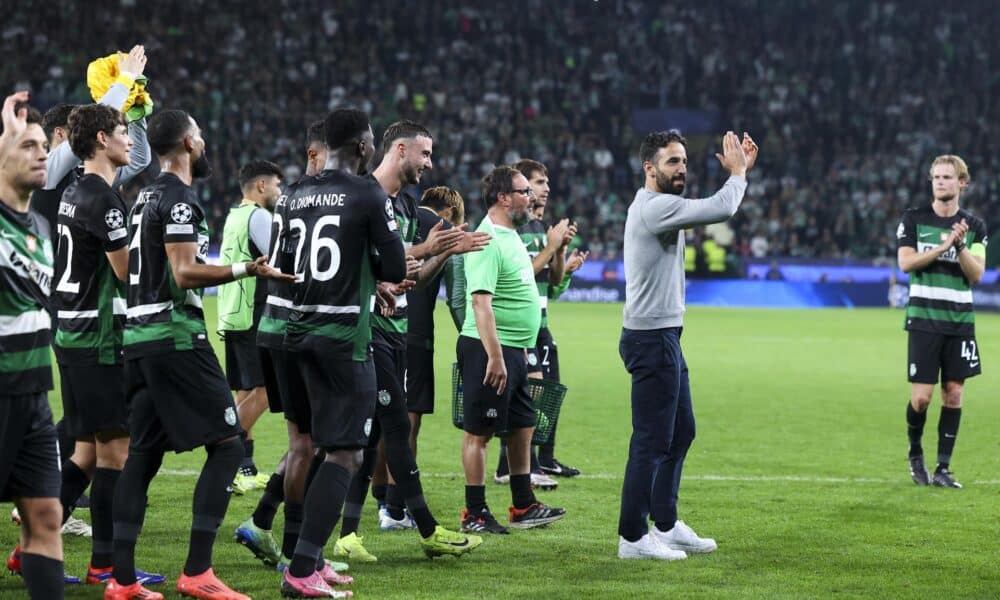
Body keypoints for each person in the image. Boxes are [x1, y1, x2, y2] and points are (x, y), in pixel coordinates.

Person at [107, 109, 291, 600]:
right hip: (177, 337)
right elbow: (186, 272)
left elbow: (131, 270)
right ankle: (198, 571)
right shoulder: (180, 198)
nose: (206, 142)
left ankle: (121, 581)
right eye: (201, 135)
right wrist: (246, 269)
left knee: (142, 455)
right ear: (188, 143)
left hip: (139, 337)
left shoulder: (140, 197)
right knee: (229, 444)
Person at [333, 120, 486, 561]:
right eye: (425, 153)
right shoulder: (365, 195)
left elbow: (400, 271)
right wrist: (423, 252)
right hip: (368, 331)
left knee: (375, 433)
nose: (430, 163)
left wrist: (435, 254)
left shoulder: (401, 205)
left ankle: (346, 533)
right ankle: (427, 529)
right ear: (400, 150)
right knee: (396, 427)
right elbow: (361, 259)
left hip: (395, 330)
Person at [617, 129, 757, 561]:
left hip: (665, 335)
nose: (681, 169)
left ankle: (665, 521)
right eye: (672, 161)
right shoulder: (656, 207)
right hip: (651, 337)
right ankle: (633, 537)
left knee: (682, 430)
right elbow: (722, 207)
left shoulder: (660, 206)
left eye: (684, 161)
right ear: (650, 168)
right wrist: (738, 174)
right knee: (652, 439)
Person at [51, 103, 163, 587]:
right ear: (101, 139)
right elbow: (125, 274)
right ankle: (108, 566)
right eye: (122, 131)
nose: (130, 140)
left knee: (86, 453)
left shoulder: (73, 191)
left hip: (70, 334)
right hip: (98, 340)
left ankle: (30, 545)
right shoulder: (105, 200)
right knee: (116, 453)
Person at [458, 165, 566, 535]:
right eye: (524, 192)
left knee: (523, 426)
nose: (531, 198)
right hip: (489, 349)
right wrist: (495, 356)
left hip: (516, 349)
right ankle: (474, 512)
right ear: (504, 198)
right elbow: (481, 304)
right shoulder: (486, 240)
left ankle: (523, 505)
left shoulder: (511, 236)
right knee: (480, 433)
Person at [0, 91, 67, 600]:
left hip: (34, 399)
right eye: (28, 145)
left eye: (44, 145)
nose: (42, 153)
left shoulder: (41, 226)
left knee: (46, 513)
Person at [494, 159, 588, 489]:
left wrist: (561, 251)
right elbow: (521, 276)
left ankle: (540, 459)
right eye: (538, 181)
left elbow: (554, 280)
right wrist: (551, 247)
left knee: (545, 395)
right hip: (520, 327)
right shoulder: (515, 229)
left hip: (541, 323)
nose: (546, 188)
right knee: (530, 395)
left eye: (547, 181)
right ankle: (518, 464)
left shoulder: (539, 227)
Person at [897, 155, 987, 489]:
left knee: (954, 394)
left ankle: (943, 468)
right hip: (924, 320)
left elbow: (976, 274)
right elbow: (906, 264)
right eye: (936, 177)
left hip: (959, 321)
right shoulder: (914, 220)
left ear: (962, 182)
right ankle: (915, 453)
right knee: (921, 398)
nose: (940, 182)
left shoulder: (975, 226)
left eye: (948, 177)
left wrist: (960, 245)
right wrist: (943, 245)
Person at [216, 160, 284, 493]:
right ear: (261, 186)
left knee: (246, 389)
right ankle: (223, 451)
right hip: (254, 310)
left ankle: (243, 466)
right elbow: (280, 259)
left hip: (234, 309)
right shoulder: (259, 217)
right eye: (277, 185)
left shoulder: (235, 215)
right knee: (267, 391)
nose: (279, 192)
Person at [405, 186, 468, 456]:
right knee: (409, 415)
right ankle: (400, 488)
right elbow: (456, 299)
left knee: (379, 411)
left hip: (379, 327)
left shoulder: (399, 218)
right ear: (451, 211)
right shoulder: (449, 233)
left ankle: (378, 485)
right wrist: (472, 337)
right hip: (417, 333)